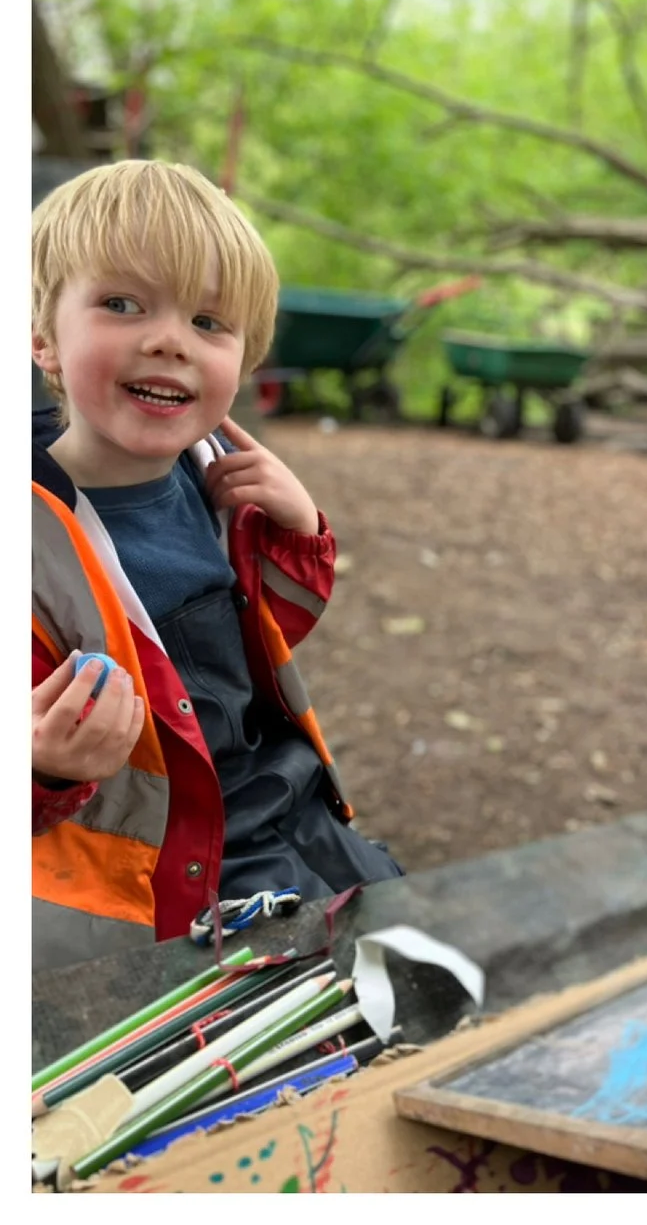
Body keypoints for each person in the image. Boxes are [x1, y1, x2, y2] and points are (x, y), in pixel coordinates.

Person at [31, 161, 401, 969]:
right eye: (122, 304)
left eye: (207, 321)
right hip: (161, 864)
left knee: (411, 950)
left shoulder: (213, 482)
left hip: (281, 802)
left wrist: (298, 531)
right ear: (42, 339)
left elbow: (262, 638)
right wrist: (44, 766)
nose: (169, 340)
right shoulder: (29, 545)